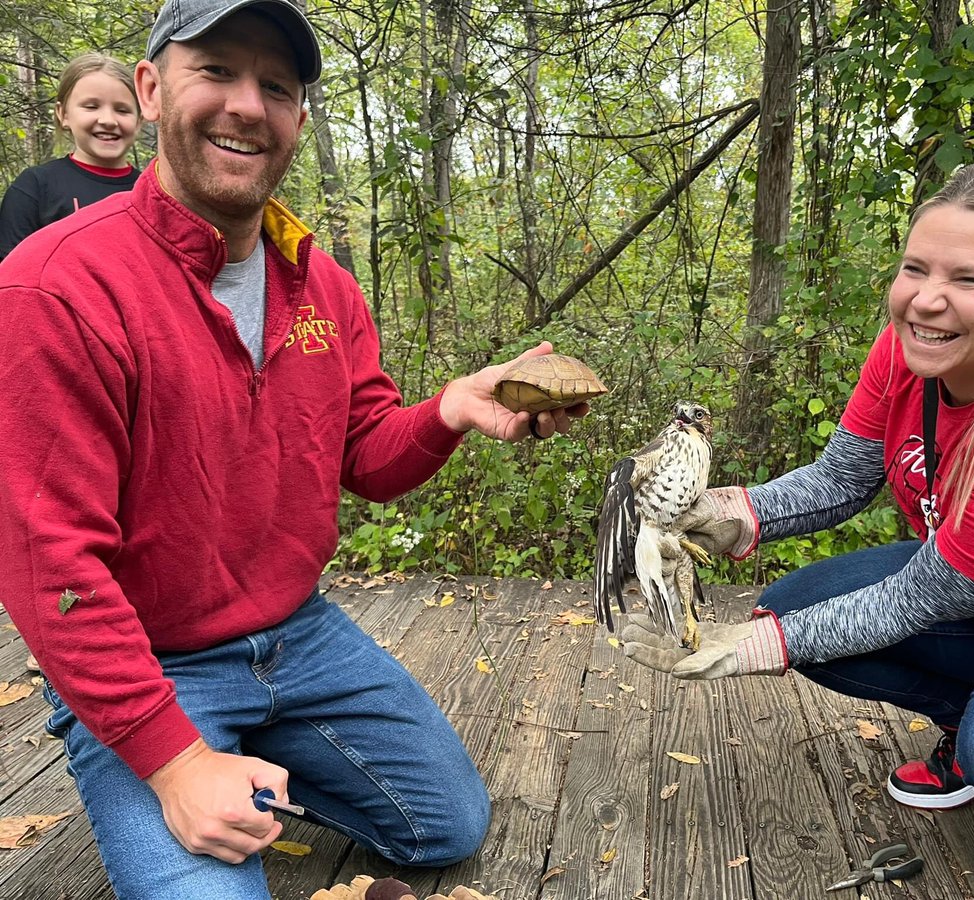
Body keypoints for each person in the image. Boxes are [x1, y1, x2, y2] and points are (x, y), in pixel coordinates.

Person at [0, 0, 586, 897]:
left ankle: (259, 745)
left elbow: (367, 457)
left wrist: (451, 411)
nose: (247, 104)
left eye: (275, 86)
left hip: (299, 634)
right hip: (151, 658)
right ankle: (143, 747)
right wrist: (174, 763)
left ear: (299, 121)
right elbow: (52, 567)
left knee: (447, 825)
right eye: (217, 72)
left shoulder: (323, 284)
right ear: (153, 90)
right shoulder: (55, 285)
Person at [622, 163, 974, 900]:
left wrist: (751, 648)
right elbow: (841, 480)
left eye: (969, 279)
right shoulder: (915, 347)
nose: (927, 300)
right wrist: (729, 512)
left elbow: (916, 600)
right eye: (915, 268)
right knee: (794, 608)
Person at [0, 52, 142, 261]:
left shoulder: (152, 190)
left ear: (139, 120)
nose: (109, 120)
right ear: (63, 114)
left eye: (122, 110)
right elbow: (10, 272)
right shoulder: (35, 187)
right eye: (91, 106)